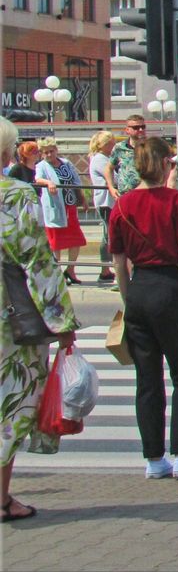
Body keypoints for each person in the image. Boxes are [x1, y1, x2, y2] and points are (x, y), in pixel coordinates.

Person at [109, 136, 178, 480]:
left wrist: (128, 300)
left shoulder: (121, 206)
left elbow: (118, 262)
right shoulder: (176, 201)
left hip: (139, 290)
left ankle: (154, 458)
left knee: (147, 380)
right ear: (166, 165)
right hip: (170, 288)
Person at [0, 117, 79, 523]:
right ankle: (0, 498)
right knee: (11, 404)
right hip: (10, 323)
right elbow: (36, 260)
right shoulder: (13, 195)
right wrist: (62, 321)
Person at [34, 138, 86, 284]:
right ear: (42, 153)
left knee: (75, 239)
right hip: (55, 206)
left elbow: (75, 179)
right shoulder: (42, 166)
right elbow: (37, 179)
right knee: (56, 242)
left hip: (69, 205)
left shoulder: (66, 163)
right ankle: (56, 272)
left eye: (52, 151)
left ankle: (71, 270)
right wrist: (48, 182)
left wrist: (81, 197)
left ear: (56, 150)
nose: (49, 154)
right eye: (46, 152)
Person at [88, 130, 117, 283]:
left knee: (109, 234)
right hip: (106, 201)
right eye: (110, 143)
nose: (113, 146)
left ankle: (106, 269)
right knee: (109, 235)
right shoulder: (100, 159)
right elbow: (113, 177)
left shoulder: (105, 158)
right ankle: (107, 267)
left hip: (109, 201)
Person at [105, 114, 147, 201]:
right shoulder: (119, 147)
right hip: (125, 196)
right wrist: (111, 188)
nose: (140, 130)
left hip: (147, 195)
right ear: (127, 130)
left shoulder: (152, 146)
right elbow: (108, 168)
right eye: (136, 127)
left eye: (143, 127)